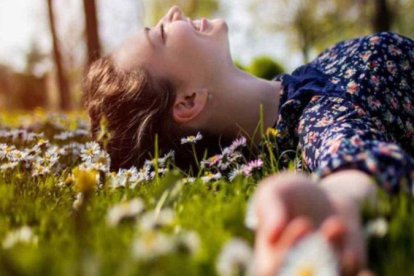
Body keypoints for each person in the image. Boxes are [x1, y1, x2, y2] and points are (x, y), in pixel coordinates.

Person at [83, 5, 414, 275]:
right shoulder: (316, 117)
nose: (172, 12)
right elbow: (355, 159)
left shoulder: (303, 83)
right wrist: (333, 205)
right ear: (187, 101)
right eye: (161, 34)